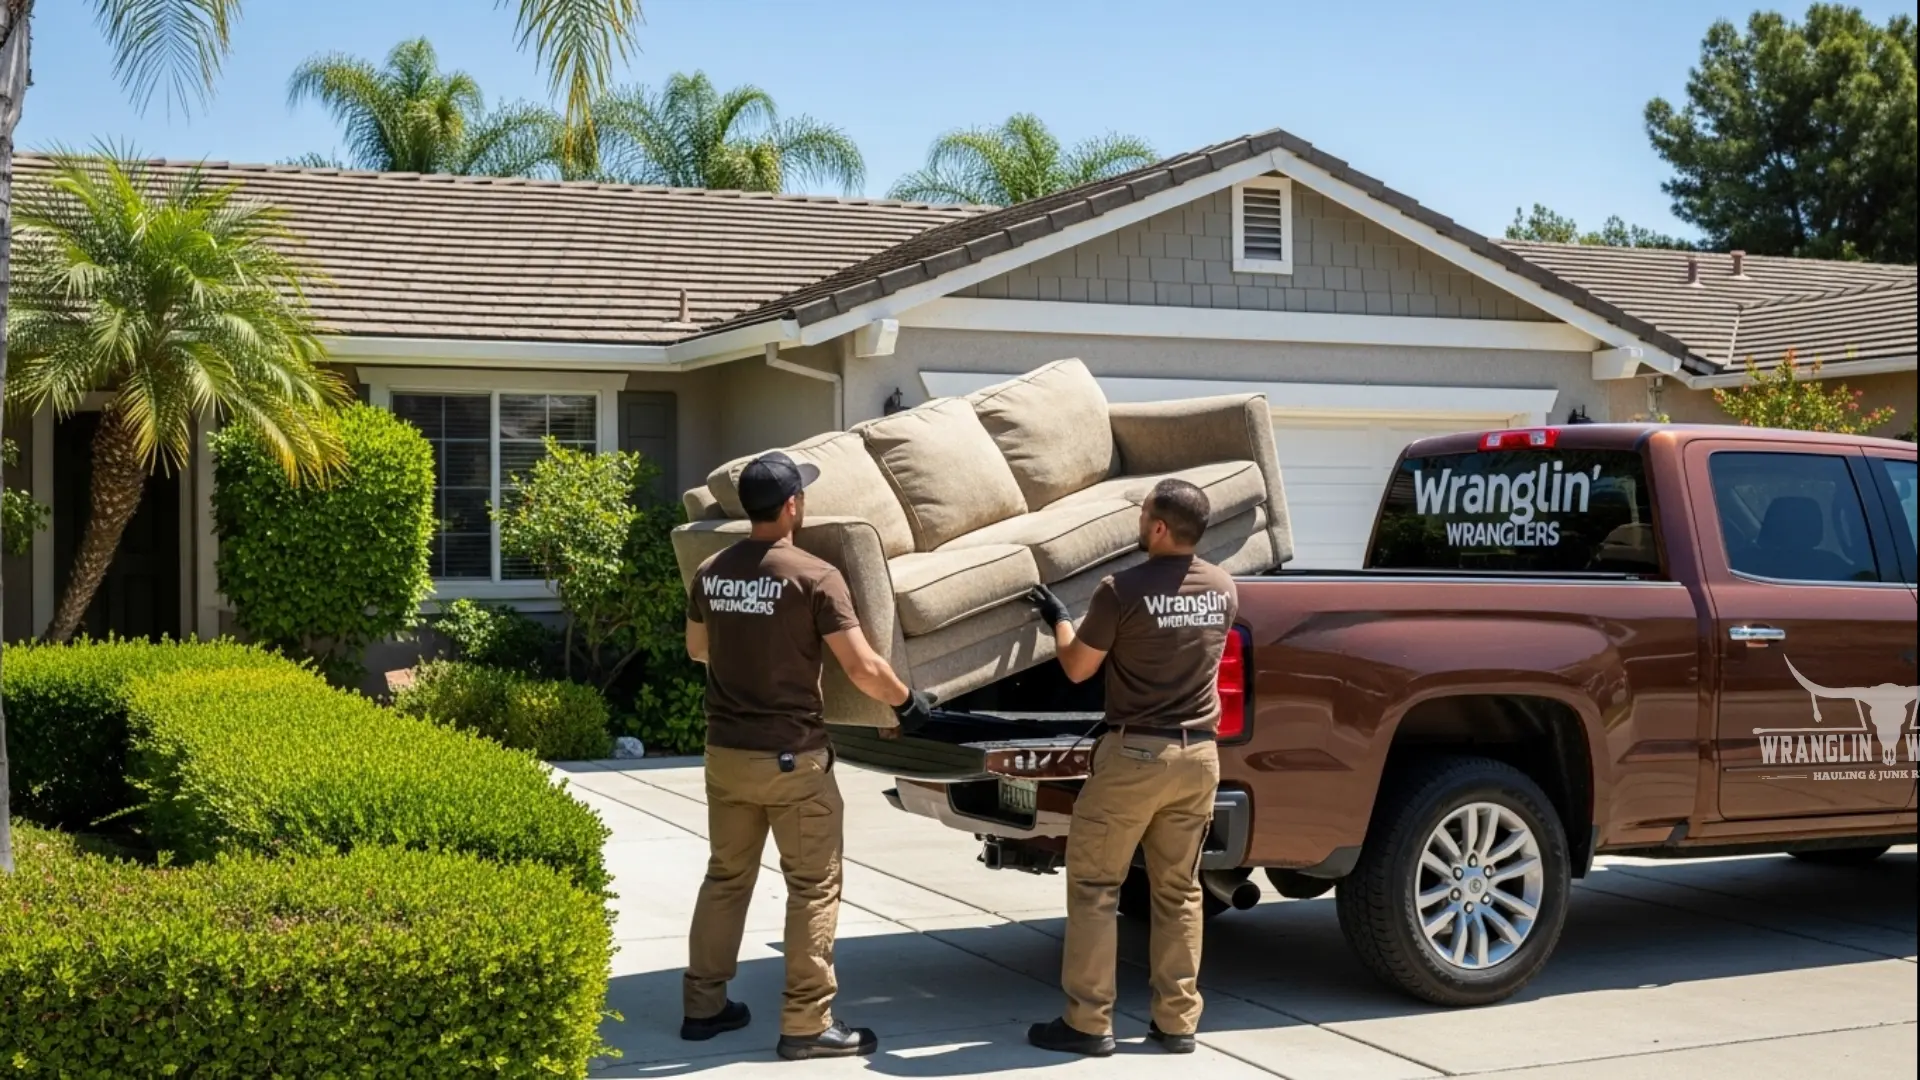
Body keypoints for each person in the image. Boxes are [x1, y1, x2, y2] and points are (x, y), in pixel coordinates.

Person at [681, 450, 935, 1061]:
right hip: (792, 760)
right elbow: (862, 667)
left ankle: (703, 1006)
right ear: (792, 505)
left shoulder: (710, 571)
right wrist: (907, 703)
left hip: (726, 755)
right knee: (813, 887)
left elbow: (697, 650)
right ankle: (806, 1024)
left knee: (726, 877)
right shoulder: (815, 576)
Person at [1025, 478, 1239, 1058]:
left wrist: (1058, 620)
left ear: (1160, 527)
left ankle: (1088, 1023)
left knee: (1096, 887)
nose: (1139, 522)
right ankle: (1177, 1022)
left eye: (1144, 514)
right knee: (1180, 891)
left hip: (1135, 756)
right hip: (1199, 758)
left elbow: (1077, 667)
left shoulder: (1121, 590)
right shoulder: (1223, 588)